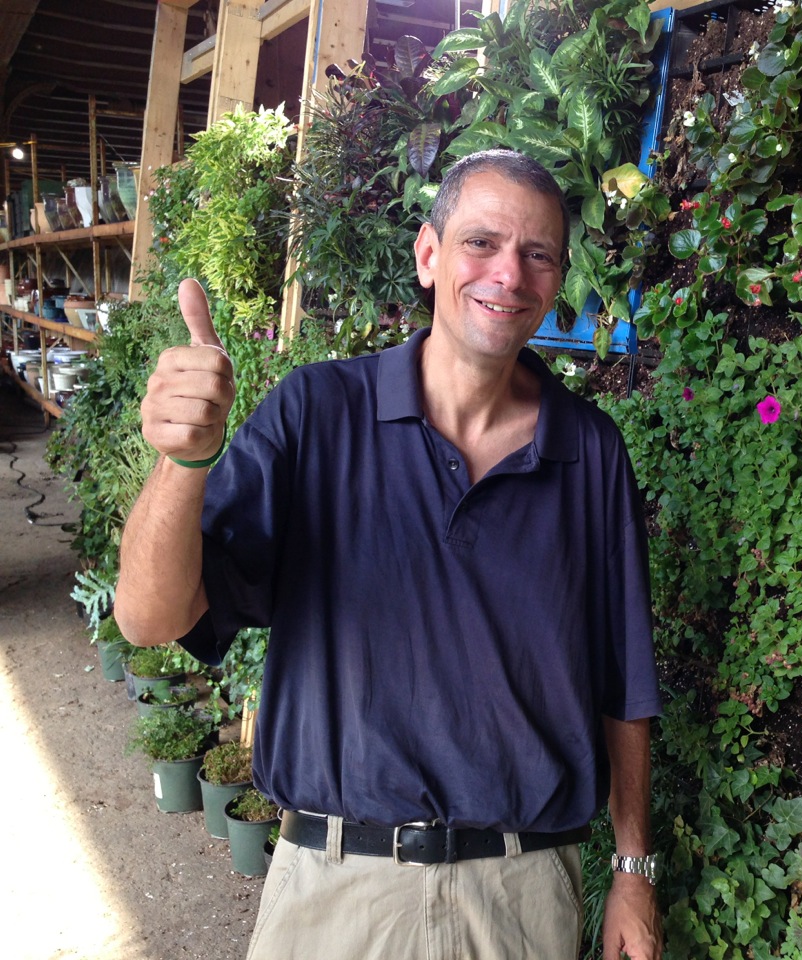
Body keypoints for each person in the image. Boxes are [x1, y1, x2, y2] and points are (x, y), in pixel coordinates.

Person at [114, 149, 663, 960]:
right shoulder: (316, 415)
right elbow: (149, 619)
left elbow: (624, 678)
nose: (509, 273)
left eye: (538, 253)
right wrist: (182, 463)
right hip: (336, 893)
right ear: (428, 254)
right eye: (481, 243)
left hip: (521, 901)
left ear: (556, 279)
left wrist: (633, 869)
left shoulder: (589, 451)